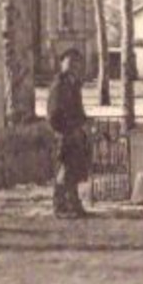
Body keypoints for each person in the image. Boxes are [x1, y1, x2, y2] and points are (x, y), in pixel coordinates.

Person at [46, 49, 91, 218]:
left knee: (74, 171)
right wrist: (65, 130)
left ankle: (74, 203)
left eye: (76, 62)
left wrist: (84, 124)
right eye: (69, 61)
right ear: (62, 64)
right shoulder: (59, 85)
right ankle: (59, 205)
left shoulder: (74, 84)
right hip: (64, 134)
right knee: (64, 171)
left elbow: (78, 110)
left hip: (75, 133)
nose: (73, 65)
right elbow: (53, 113)